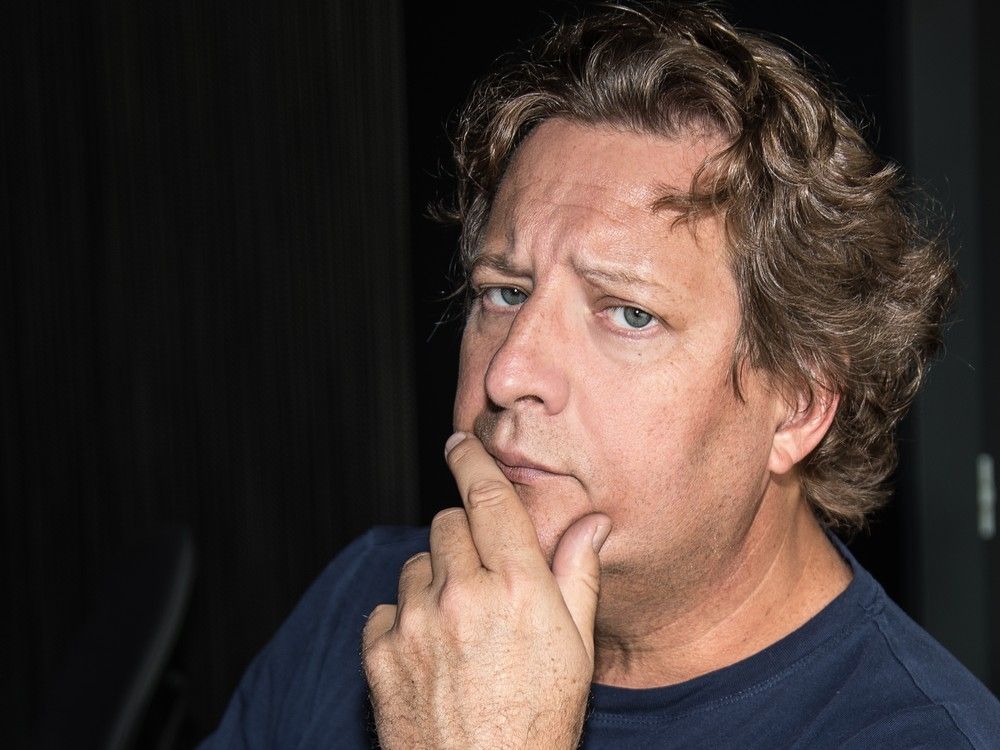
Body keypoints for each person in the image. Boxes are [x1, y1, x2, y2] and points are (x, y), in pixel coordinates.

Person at [202, 3, 1000, 747]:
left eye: (628, 313)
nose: (509, 373)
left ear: (797, 406)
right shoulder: (374, 604)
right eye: (504, 292)